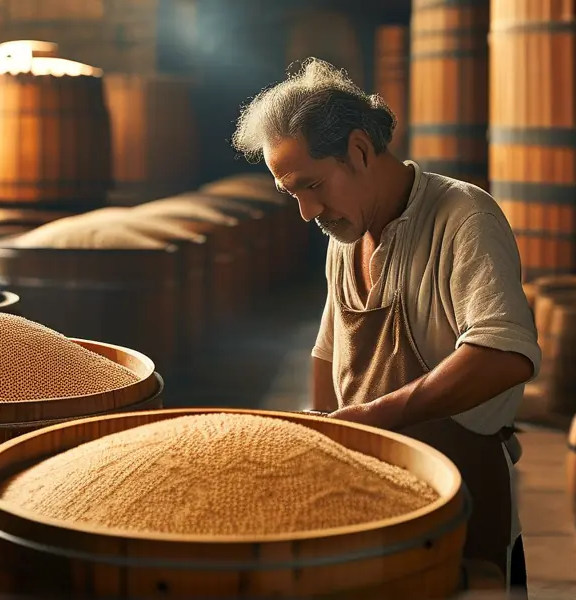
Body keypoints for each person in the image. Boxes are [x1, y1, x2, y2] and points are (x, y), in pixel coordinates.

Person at [231, 58, 540, 593]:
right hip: (370, 498)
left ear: (358, 150)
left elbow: (504, 352)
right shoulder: (345, 235)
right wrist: (325, 436)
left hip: (455, 496)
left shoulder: (463, 218)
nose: (307, 211)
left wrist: (376, 416)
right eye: (292, 194)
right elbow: (330, 349)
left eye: (312, 185)